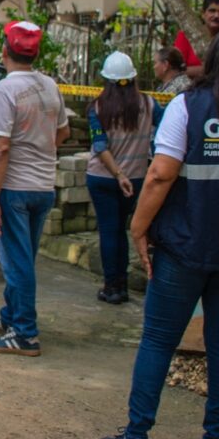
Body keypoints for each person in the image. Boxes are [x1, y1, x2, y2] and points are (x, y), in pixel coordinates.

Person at [101, 25, 219, 439]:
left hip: (185, 247)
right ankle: (216, 435)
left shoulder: (188, 107)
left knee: (159, 340)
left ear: (215, 60)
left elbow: (160, 175)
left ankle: (136, 433)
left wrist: (138, 227)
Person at [0, 20, 70, 356]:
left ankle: (25, 333)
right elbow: (61, 134)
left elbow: (0, 148)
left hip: (15, 187)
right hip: (43, 185)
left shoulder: (5, 90)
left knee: (16, 262)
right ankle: (10, 316)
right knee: (24, 257)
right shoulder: (50, 85)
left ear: (5, 50)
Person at [85, 51, 162, 305]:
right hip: (137, 179)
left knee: (109, 231)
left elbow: (100, 146)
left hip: (103, 178)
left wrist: (117, 174)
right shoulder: (150, 105)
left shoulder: (97, 107)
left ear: (106, 80)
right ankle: (124, 285)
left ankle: (112, 287)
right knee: (125, 231)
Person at [173, 0, 219, 79]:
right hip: (191, 88)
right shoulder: (186, 35)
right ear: (203, 14)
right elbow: (175, 70)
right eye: (212, 11)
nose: (216, 15)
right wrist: (214, 70)